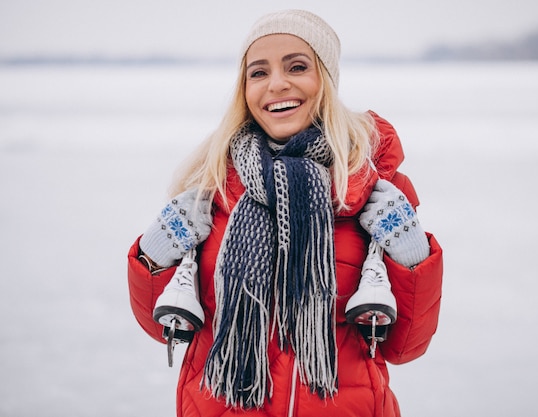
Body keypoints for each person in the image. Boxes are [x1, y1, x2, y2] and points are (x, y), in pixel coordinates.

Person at [127, 9, 443, 417]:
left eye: (297, 66)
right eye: (258, 73)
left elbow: (405, 345)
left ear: (325, 80)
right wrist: (154, 257)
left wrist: (413, 257)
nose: (277, 84)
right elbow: (163, 329)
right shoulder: (212, 186)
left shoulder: (376, 189)